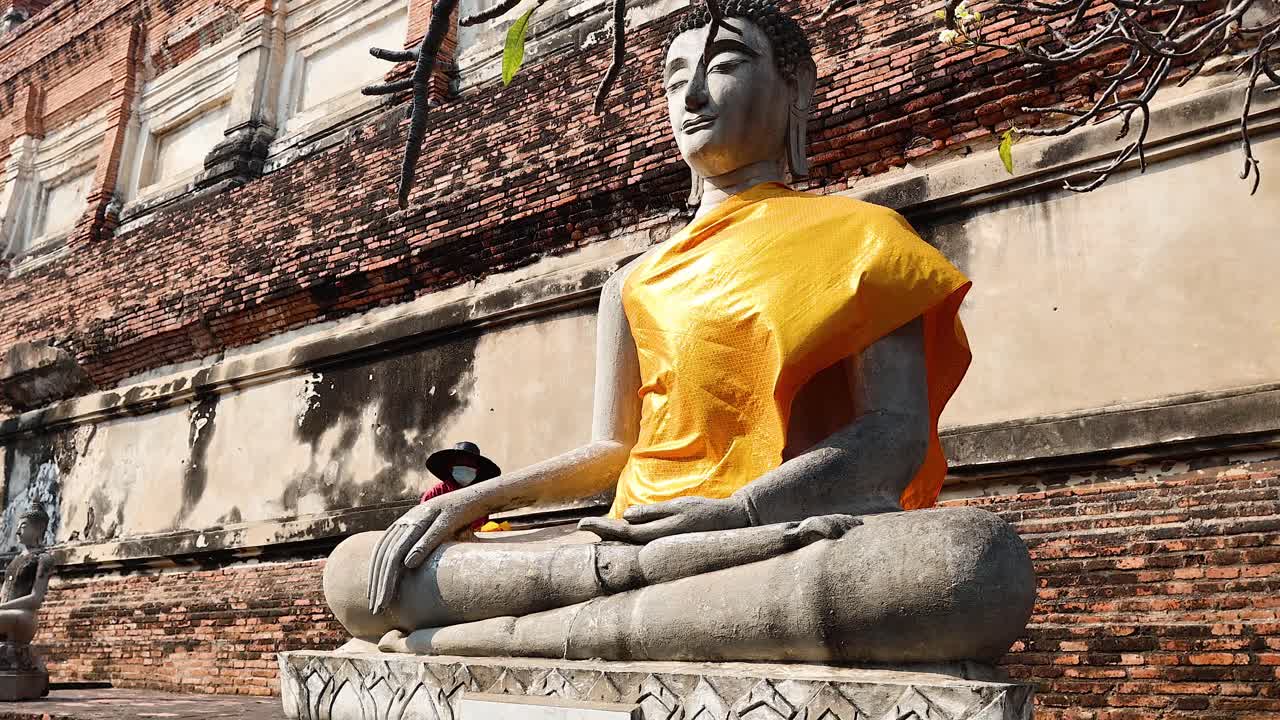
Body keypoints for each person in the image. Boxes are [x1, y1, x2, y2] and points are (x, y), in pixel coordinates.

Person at [322, 0, 1034, 664]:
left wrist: (735, 512)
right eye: (672, 79)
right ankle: (596, 615)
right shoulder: (633, 280)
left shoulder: (863, 236)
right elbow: (614, 449)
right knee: (361, 571)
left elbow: (892, 436)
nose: (691, 96)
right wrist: (473, 501)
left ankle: (486, 637)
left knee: (965, 566)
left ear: (800, 92)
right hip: (621, 544)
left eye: (724, 65)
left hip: (766, 538)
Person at [0, 507, 55, 646]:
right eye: (18, 526)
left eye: (23, 526)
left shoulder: (44, 559)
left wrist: (3, 607)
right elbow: (4, 592)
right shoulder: (16, 559)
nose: (18, 531)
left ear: (39, 529)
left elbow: (36, 599)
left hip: (24, 616)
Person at [418, 442, 501, 530]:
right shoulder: (435, 493)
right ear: (451, 468)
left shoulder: (482, 495)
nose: (466, 466)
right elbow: (420, 522)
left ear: (477, 471)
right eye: (461, 463)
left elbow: (484, 525)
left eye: (470, 465)